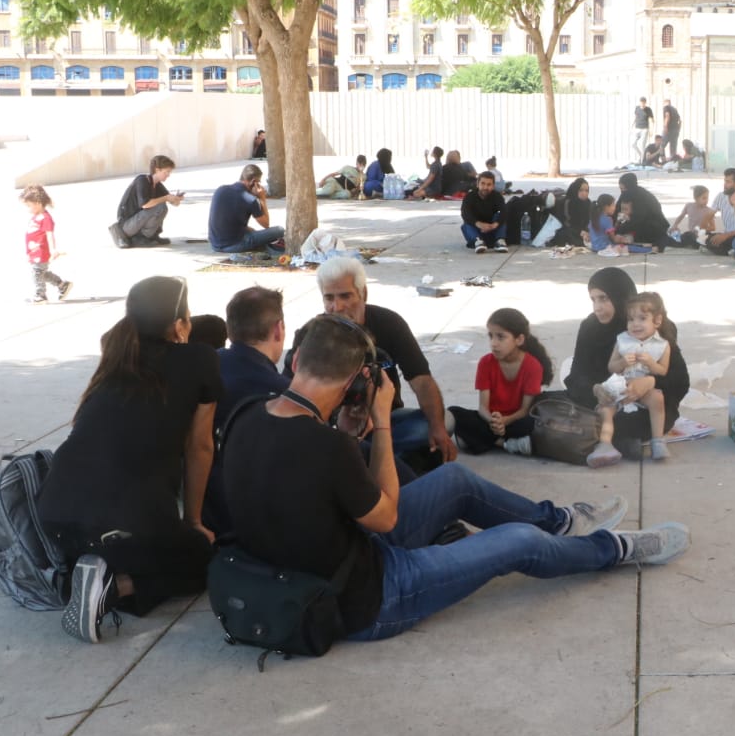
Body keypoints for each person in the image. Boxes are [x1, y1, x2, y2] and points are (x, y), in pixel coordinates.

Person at [222, 314, 688, 643]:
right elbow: (386, 518)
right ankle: (613, 549)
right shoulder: (327, 447)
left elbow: (317, 484)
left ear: (296, 360)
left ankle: (560, 522)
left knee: (455, 480)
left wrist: (348, 433)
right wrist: (381, 423)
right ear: (358, 383)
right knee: (516, 542)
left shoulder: (248, 413)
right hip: (365, 598)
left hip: (329, 557)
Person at [38, 277, 220, 643]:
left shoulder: (117, 353)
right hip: (128, 521)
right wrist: (194, 522)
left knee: (122, 539)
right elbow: (200, 447)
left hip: (55, 512)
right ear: (179, 325)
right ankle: (115, 586)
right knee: (205, 559)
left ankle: (82, 574)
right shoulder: (199, 359)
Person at [305, 256, 456, 471]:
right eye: (329, 298)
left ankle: (371, 457)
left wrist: (437, 428)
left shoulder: (389, 323)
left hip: (386, 419)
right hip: (337, 429)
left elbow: (421, 380)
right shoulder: (312, 335)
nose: (336, 307)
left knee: (443, 420)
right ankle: (384, 458)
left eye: (345, 296)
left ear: (363, 294)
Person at [556, 267, 690, 460]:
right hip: (605, 403)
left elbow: (680, 381)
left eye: (604, 298)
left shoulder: (654, 327)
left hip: (645, 408)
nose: (597, 307)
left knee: (656, 414)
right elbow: (576, 377)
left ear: (620, 297)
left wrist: (650, 382)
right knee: (553, 405)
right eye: (593, 300)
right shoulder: (590, 327)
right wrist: (596, 389)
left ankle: (611, 441)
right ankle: (620, 442)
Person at [206, 285, 290, 534]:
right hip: (257, 521)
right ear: (278, 329)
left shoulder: (204, 368)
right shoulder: (284, 394)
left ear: (230, 329)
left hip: (206, 510)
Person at [446, 308, 552, 457]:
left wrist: (505, 421)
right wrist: (494, 422)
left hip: (516, 421)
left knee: (534, 422)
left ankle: (486, 441)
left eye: (500, 337)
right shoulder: (485, 363)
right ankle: (505, 443)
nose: (493, 343)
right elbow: (483, 407)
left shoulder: (533, 366)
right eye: (491, 336)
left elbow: (524, 410)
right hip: (490, 421)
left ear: (519, 340)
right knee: (454, 413)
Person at [590, 292, 676, 465]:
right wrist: (622, 362)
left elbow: (663, 371)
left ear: (657, 321)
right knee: (606, 408)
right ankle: (605, 445)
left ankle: (658, 441)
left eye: (642, 318)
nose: (635, 324)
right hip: (621, 385)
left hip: (644, 389)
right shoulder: (622, 340)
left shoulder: (662, 345)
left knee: (658, 399)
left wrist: (651, 363)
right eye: (631, 319)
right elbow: (611, 367)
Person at [208, 164, 285, 254]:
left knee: (251, 230)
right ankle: (267, 247)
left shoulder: (220, 190)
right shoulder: (250, 200)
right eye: (258, 182)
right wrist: (262, 198)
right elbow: (266, 224)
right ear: (253, 182)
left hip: (215, 244)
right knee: (279, 230)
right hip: (234, 245)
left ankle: (264, 246)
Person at [110, 154, 182, 248]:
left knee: (161, 205)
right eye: (166, 172)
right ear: (157, 170)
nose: (168, 175)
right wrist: (166, 198)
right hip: (126, 226)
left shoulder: (157, 185)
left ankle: (151, 236)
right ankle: (140, 238)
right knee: (160, 206)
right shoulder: (142, 180)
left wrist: (176, 200)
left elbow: (172, 202)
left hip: (136, 223)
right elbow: (145, 204)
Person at [21, 185, 72, 304]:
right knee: (42, 273)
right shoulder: (36, 217)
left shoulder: (46, 218)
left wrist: (53, 249)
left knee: (37, 273)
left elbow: (49, 234)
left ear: (38, 203)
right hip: (34, 253)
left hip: (41, 252)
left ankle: (40, 295)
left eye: (29, 205)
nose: (28, 209)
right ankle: (62, 285)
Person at [613, 172, 670, 247]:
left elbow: (637, 219)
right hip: (637, 223)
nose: (622, 191)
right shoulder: (626, 193)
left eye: (624, 189)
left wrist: (618, 231)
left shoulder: (641, 196)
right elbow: (616, 210)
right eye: (621, 189)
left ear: (630, 186)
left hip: (653, 227)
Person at [461, 171, 507, 253]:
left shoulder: (497, 196)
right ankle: (478, 242)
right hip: (475, 230)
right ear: (477, 184)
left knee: (499, 215)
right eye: (483, 183)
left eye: (489, 184)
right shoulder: (469, 196)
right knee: (466, 223)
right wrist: (478, 224)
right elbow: (465, 213)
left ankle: (500, 241)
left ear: (493, 186)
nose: (485, 187)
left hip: (492, 229)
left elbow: (505, 212)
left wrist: (495, 224)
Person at [547, 177, 593, 248]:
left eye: (586, 191)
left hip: (582, 232)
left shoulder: (588, 203)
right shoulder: (567, 202)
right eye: (581, 190)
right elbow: (567, 222)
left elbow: (589, 220)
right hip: (568, 230)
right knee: (565, 234)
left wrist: (586, 231)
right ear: (575, 190)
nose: (584, 193)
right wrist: (580, 232)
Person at [632, 97, 653, 162]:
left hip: (645, 129)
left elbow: (651, 120)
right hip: (637, 128)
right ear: (640, 102)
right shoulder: (637, 108)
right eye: (641, 102)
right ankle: (641, 155)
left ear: (645, 102)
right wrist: (632, 125)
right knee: (633, 144)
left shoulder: (648, 109)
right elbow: (635, 117)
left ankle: (642, 161)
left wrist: (651, 130)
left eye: (643, 102)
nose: (642, 103)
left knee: (642, 145)